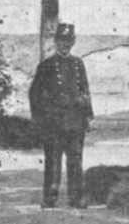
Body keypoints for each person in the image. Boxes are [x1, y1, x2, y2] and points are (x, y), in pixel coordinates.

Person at [28, 21, 93, 209]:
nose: (65, 44)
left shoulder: (78, 64)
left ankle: (76, 197)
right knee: (53, 160)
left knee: (75, 160)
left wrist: (88, 115)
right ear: (56, 41)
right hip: (54, 123)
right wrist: (40, 119)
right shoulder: (47, 65)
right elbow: (35, 94)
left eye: (68, 40)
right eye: (62, 40)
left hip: (75, 121)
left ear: (73, 42)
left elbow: (84, 90)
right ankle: (50, 197)